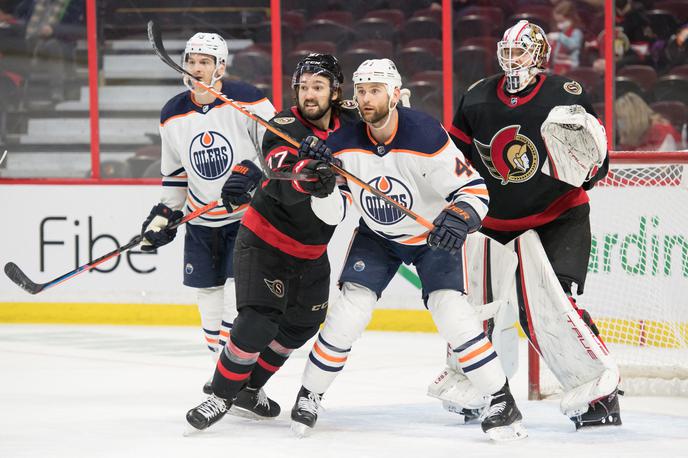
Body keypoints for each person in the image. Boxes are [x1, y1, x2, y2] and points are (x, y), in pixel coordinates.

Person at [290, 58, 527, 442]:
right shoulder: (344, 142)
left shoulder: (425, 135)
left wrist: (459, 217)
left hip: (430, 235)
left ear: (395, 94)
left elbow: (475, 191)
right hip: (377, 235)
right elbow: (334, 214)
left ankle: (501, 399)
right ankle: (310, 393)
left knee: (451, 311)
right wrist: (322, 187)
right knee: (349, 311)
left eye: (375, 91)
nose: (366, 99)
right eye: (361, 91)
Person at [445, 20, 621, 430]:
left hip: (557, 216)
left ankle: (598, 391)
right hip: (493, 223)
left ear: (539, 56)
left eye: (521, 53)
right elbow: (453, 162)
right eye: (507, 52)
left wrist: (588, 167)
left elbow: (596, 164)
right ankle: (478, 387)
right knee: (473, 308)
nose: (512, 61)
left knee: (552, 306)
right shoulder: (476, 97)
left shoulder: (565, 96)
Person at [184, 53, 360, 431]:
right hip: (266, 243)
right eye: (303, 87)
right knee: (258, 323)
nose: (309, 95)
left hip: (312, 253)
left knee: (302, 326)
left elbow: (379, 120)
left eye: (318, 86)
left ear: (335, 91)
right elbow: (283, 173)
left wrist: (399, 106)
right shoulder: (283, 125)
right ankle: (219, 395)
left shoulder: (351, 124)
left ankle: (248, 389)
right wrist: (307, 170)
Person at [139, 32, 277, 417]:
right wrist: (163, 216)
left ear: (221, 66)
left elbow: (280, 150)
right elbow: (175, 177)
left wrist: (253, 172)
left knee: (238, 298)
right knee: (209, 307)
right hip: (202, 223)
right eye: (191, 61)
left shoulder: (249, 100)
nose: (196, 68)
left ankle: (228, 385)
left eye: (205, 61)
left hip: (247, 218)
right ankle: (237, 381)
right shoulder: (171, 114)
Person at [615, 92, 681, 151]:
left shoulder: (661, 130)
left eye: (620, 119)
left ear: (631, 118)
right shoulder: (630, 136)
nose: (618, 124)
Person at [548, 1, 584, 74]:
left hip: (570, 68)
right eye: (558, 22)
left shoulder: (576, 32)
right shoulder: (561, 32)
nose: (559, 25)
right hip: (557, 66)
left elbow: (573, 45)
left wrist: (559, 37)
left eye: (562, 21)